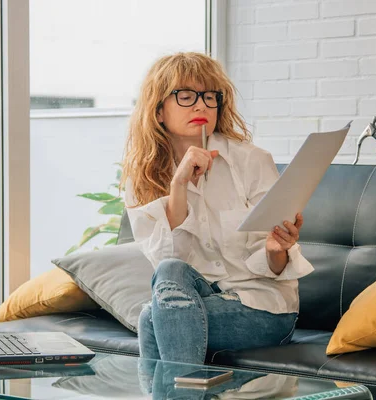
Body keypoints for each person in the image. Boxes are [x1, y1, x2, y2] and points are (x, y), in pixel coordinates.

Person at [121, 52, 314, 365]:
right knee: (169, 274)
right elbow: (166, 264)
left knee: (152, 319)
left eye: (209, 96)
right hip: (195, 298)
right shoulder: (142, 177)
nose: (200, 105)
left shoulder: (252, 161)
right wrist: (178, 186)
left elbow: (276, 268)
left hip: (263, 308)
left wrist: (276, 249)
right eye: (185, 96)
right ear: (158, 111)